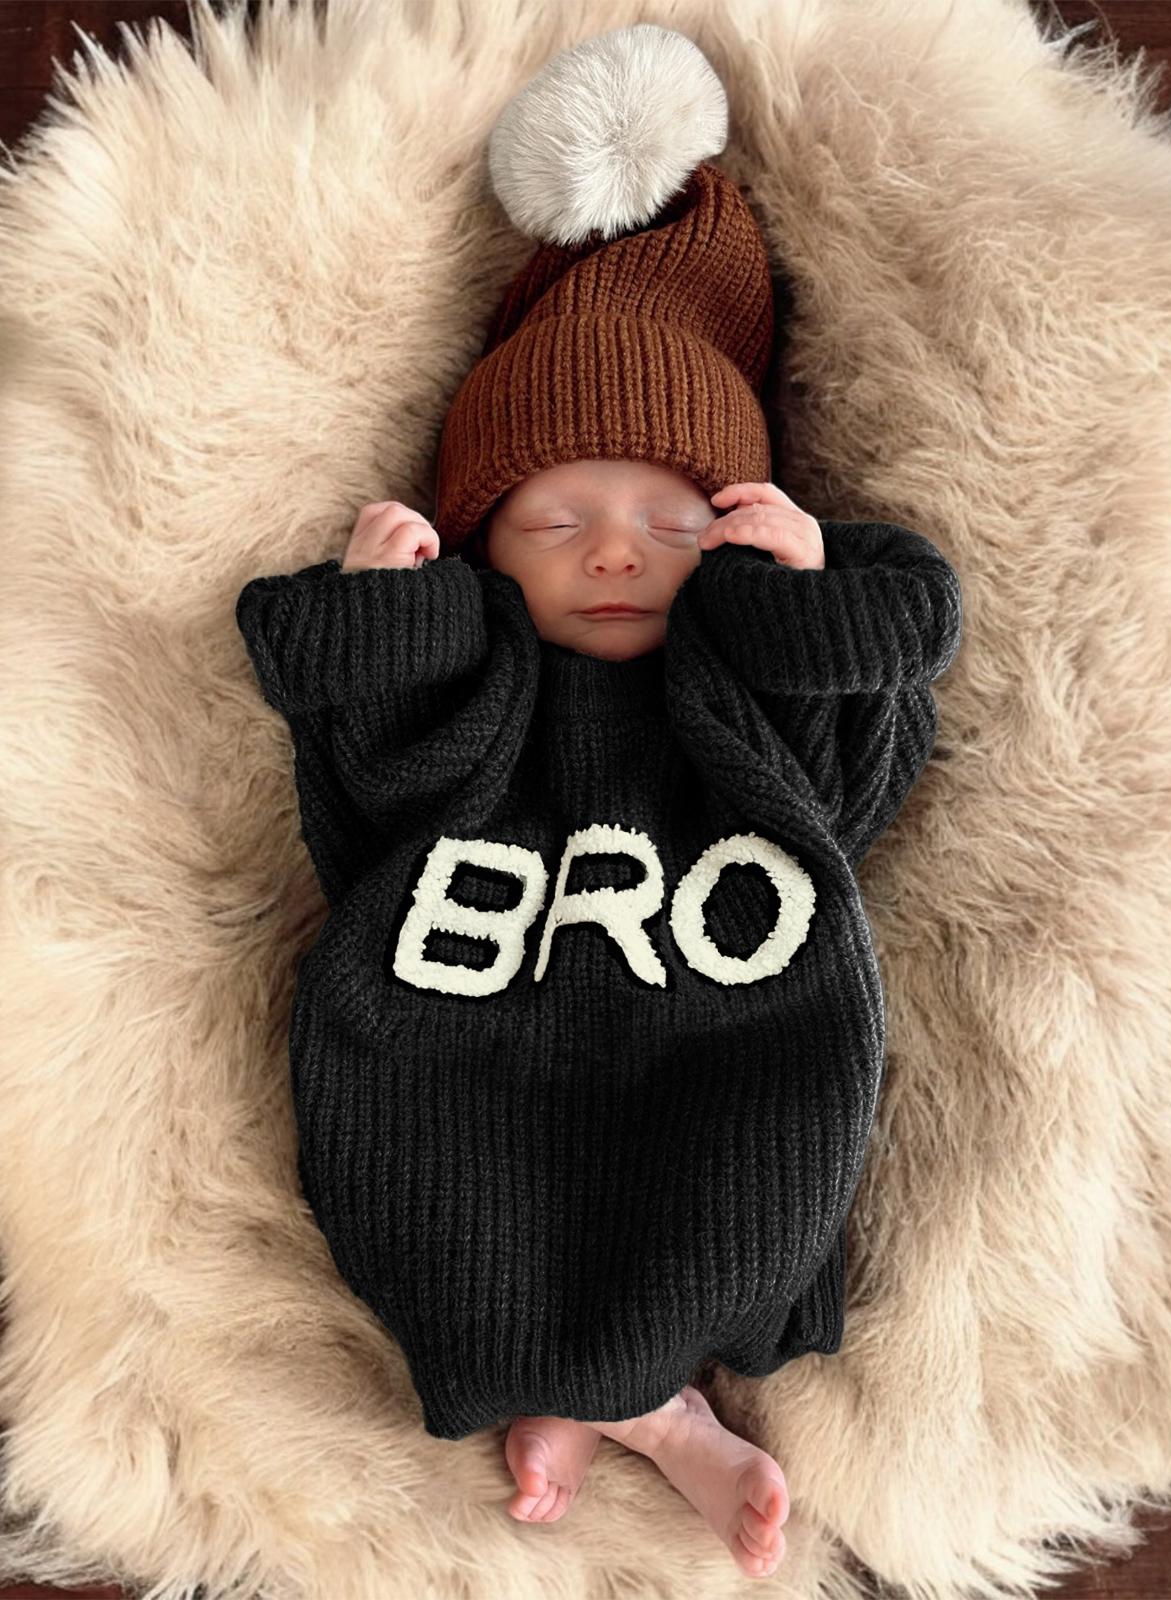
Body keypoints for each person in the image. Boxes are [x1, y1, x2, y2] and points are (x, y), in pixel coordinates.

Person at [235, 26, 962, 1581]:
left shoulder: (733, 684)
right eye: (558, 516)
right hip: (464, 1032)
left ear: (739, 529)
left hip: (723, 1031)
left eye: (672, 517)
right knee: (449, 1227)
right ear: (485, 539)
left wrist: (805, 608)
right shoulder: (481, 677)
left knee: (734, 1205)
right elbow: (370, 804)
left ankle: (625, 1409)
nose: (618, 549)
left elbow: (856, 792)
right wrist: (392, 622)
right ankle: (618, 1412)